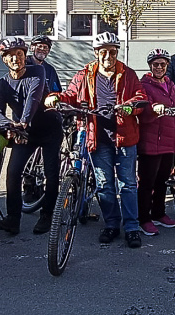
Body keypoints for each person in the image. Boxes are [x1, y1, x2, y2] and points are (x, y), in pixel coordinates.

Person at [46, 32, 148, 248]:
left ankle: (131, 227)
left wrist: (130, 106)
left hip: (124, 138)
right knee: (104, 185)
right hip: (97, 138)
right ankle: (111, 224)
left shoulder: (128, 74)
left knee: (128, 185)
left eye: (112, 52)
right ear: (96, 53)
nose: (108, 57)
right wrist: (56, 97)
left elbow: (141, 97)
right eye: (103, 52)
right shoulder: (85, 75)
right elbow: (71, 94)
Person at [0, 37, 64, 236]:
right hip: (25, 133)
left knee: (51, 172)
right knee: (13, 172)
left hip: (49, 129)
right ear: (4, 60)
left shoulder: (37, 72)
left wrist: (22, 123)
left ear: (25, 56)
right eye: (11, 56)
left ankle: (47, 215)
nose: (16, 59)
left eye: (20, 55)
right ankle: (13, 219)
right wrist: (9, 126)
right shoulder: (3, 84)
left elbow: (34, 98)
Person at [137, 49, 175, 236]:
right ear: (150, 66)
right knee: (147, 182)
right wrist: (155, 108)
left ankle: (159, 213)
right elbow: (143, 108)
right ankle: (144, 218)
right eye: (155, 64)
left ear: (167, 66)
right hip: (151, 141)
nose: (159, 67)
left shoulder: (170, 84)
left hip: (169, 141)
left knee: (162, 180)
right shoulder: (144, 85)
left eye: (162, 64)